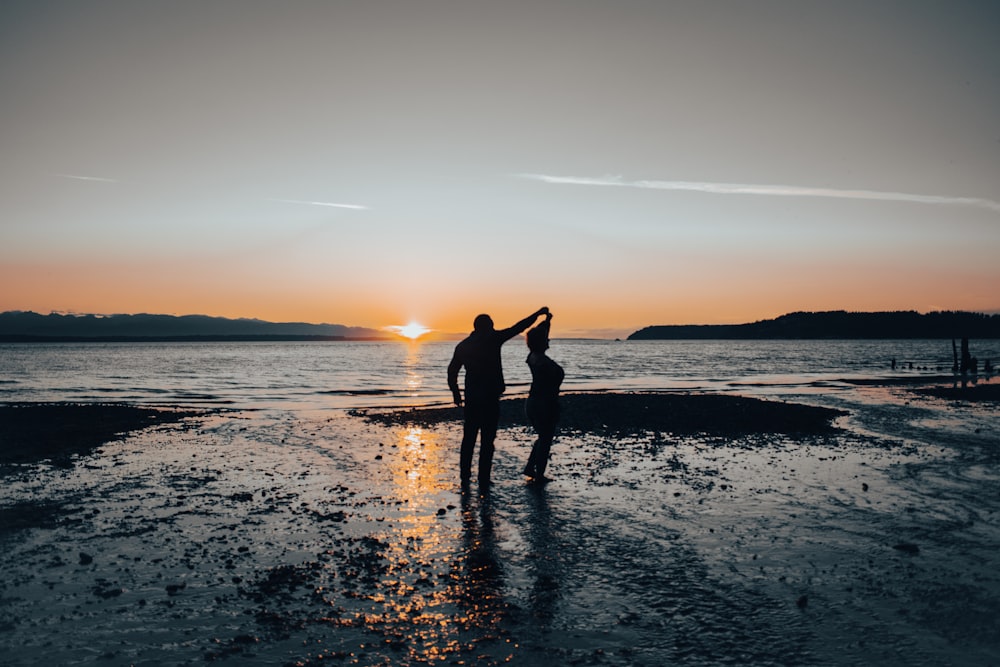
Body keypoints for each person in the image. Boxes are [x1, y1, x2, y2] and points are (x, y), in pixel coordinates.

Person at [448, 307, 549, 486]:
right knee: (487, 439)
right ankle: (483, 478)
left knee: (469, 438)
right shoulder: (492, 339)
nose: (494, 329)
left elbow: (452, 370)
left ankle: (465, 477)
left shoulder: (463, 345)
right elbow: (518, 327)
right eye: (492, 326)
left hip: (472, 397)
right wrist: (538, 314)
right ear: (488, 327)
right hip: (489, 397)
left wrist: (456, 392)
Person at [523, 311, 564, 483]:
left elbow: (541, 333)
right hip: (543, 403)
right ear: (540, 342)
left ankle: (531, 468)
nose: (549, 340)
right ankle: (538, 473)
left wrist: (547, 321)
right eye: (546, 338)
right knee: (545, 438)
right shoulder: (538, 360)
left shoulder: (535, 356)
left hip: (540, 402)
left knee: (544, 437)